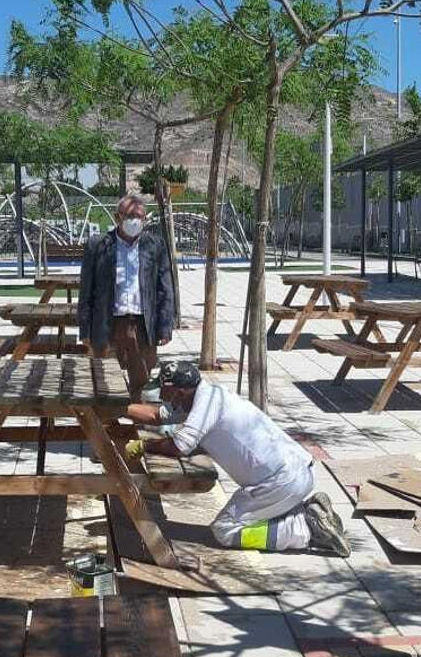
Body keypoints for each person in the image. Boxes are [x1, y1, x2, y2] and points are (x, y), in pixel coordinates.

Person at [124, 361, 351, 557]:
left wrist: (144, 446)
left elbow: (179, 446)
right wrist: (119, 409)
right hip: (299, 470)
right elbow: (156, 415)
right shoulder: (205, 395)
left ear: (179, 391)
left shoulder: (205, 404)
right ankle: (307, 512)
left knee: (225, 531)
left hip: (281, 481)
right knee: (249, 517)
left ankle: (305, 528)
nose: (162, 397)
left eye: (164, 391)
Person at [78, 195, 175, 399]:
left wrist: (165, 326)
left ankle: (135, 426)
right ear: (117, 217)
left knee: (141, 382)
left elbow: (165, 288)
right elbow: (86, 290)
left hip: (142, 326)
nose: (136, 221)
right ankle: (106, 426)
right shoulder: (98, 246)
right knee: (103, 381)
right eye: (131, 215)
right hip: (108, 325)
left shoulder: (155, 246)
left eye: (140, 216)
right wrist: (85, 329)